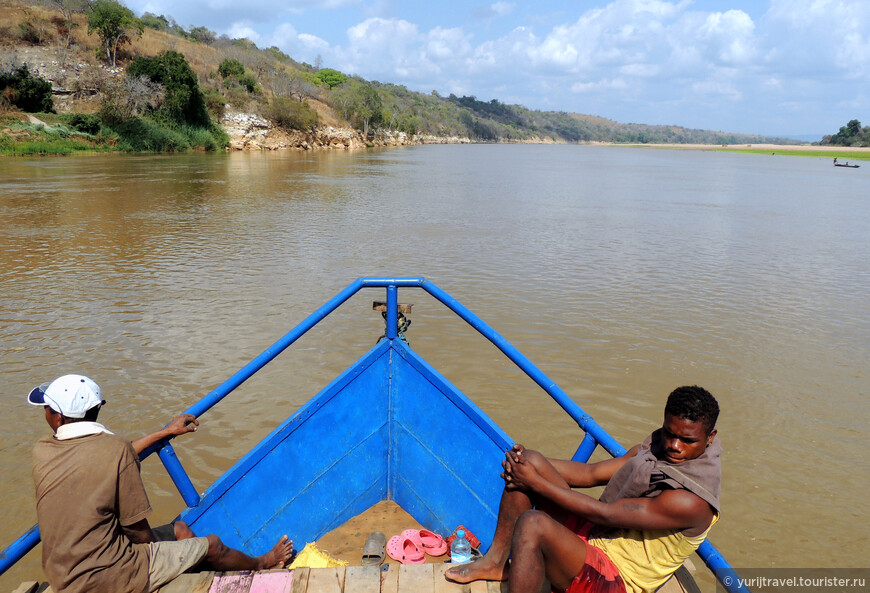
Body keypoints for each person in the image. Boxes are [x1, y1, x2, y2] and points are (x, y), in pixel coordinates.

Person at [28, 374, 295, 593]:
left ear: (59, 419)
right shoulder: (115, 451)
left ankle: (195, 567)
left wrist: (167, 431)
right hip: (110, 578)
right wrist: (160, 554)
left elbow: (113, 452)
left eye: (47, 408)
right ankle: (265, 562)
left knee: (180, 529)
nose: (46, 413)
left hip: (61, 573)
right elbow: (138, 531)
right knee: (212, 545)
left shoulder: (43, 449)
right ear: (96, 410)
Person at [445, 385, 721, 593]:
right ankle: (495, 562)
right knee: (528, 463)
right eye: (670, 433)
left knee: (533, 523)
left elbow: (608, 515)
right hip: (598, 537)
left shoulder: (692, 501)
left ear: (710, 438)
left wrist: (536, 482)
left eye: (687, 440)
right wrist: (523, 464)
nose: (674, 445)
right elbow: (590, 473)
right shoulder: (654, 449)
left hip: (616, 579)